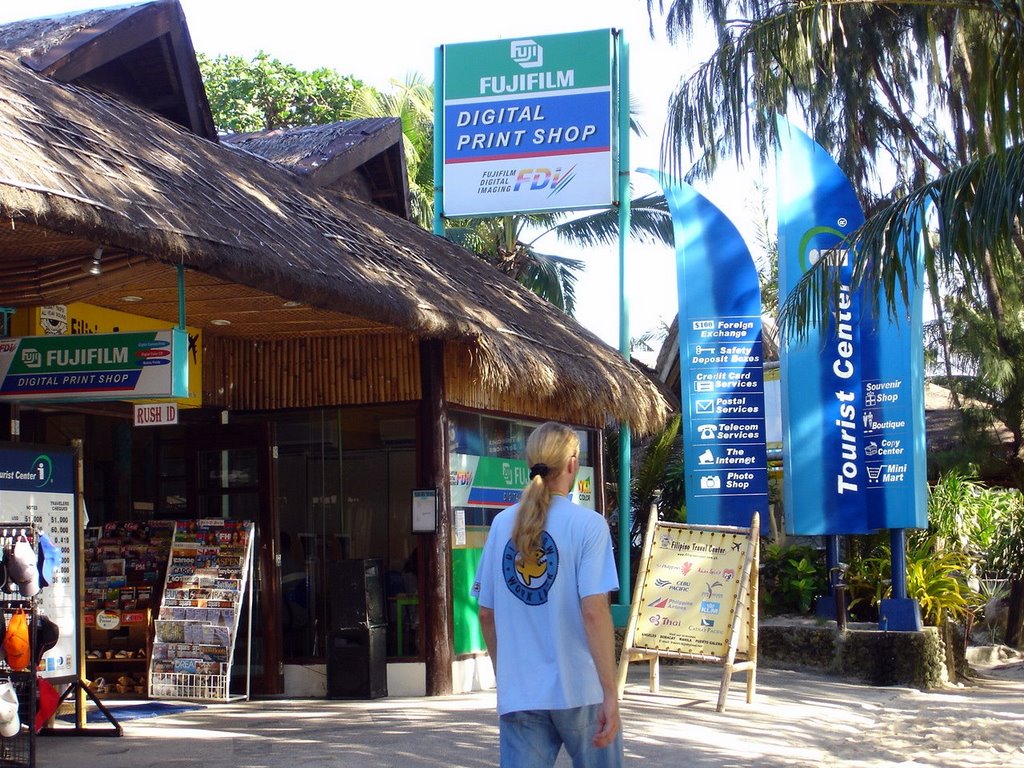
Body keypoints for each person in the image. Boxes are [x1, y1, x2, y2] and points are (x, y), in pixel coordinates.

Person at [472, 422, 623, 768]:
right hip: (581, 689)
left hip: (521, 693)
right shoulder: (589, 525)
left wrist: (506, 675)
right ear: (572, 464)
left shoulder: (500, 526)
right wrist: (610, 691)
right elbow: (594, 612)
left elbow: (486, 614)